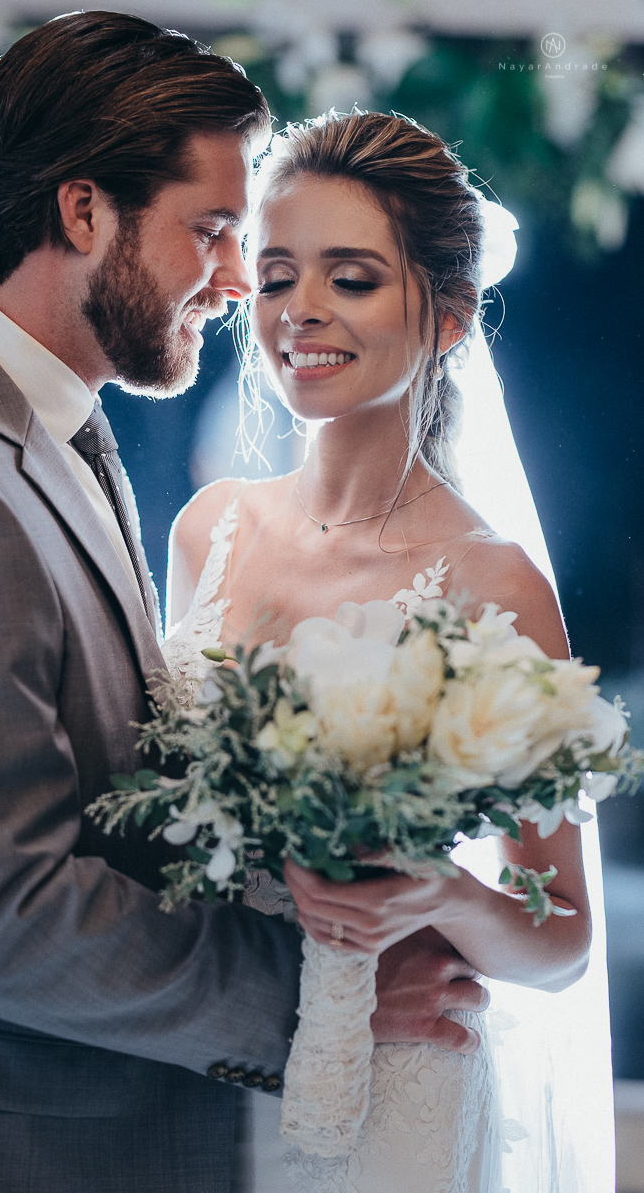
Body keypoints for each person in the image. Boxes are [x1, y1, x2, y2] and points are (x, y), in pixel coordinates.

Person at [0, 18, 491, 1193]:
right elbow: (1, 916)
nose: (239, 284)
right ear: (83, 213)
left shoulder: (39, 424)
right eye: (214, 233)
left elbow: (112, 786)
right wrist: (332, 996)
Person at [167, 111, 605, 1191]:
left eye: (351, 278)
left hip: (399, 1083)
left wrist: (441, 897)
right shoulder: (206, 530)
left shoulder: (495, 584)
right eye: (275, 277)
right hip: (203, 1065)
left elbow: (565, 944)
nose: (300, 311)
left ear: (447, 317)